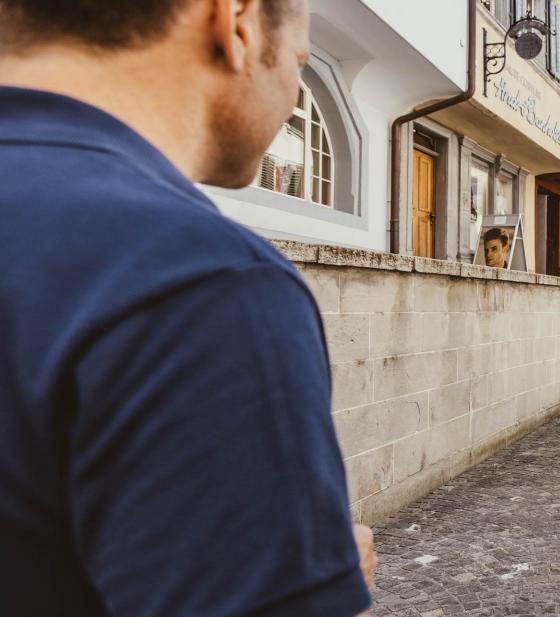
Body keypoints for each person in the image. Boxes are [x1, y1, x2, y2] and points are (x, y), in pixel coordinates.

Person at [0, 0, 374, 615]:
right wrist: (311, 581)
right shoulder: (202, 281)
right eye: (303, 62)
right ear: (237, 23)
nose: (294, 92)